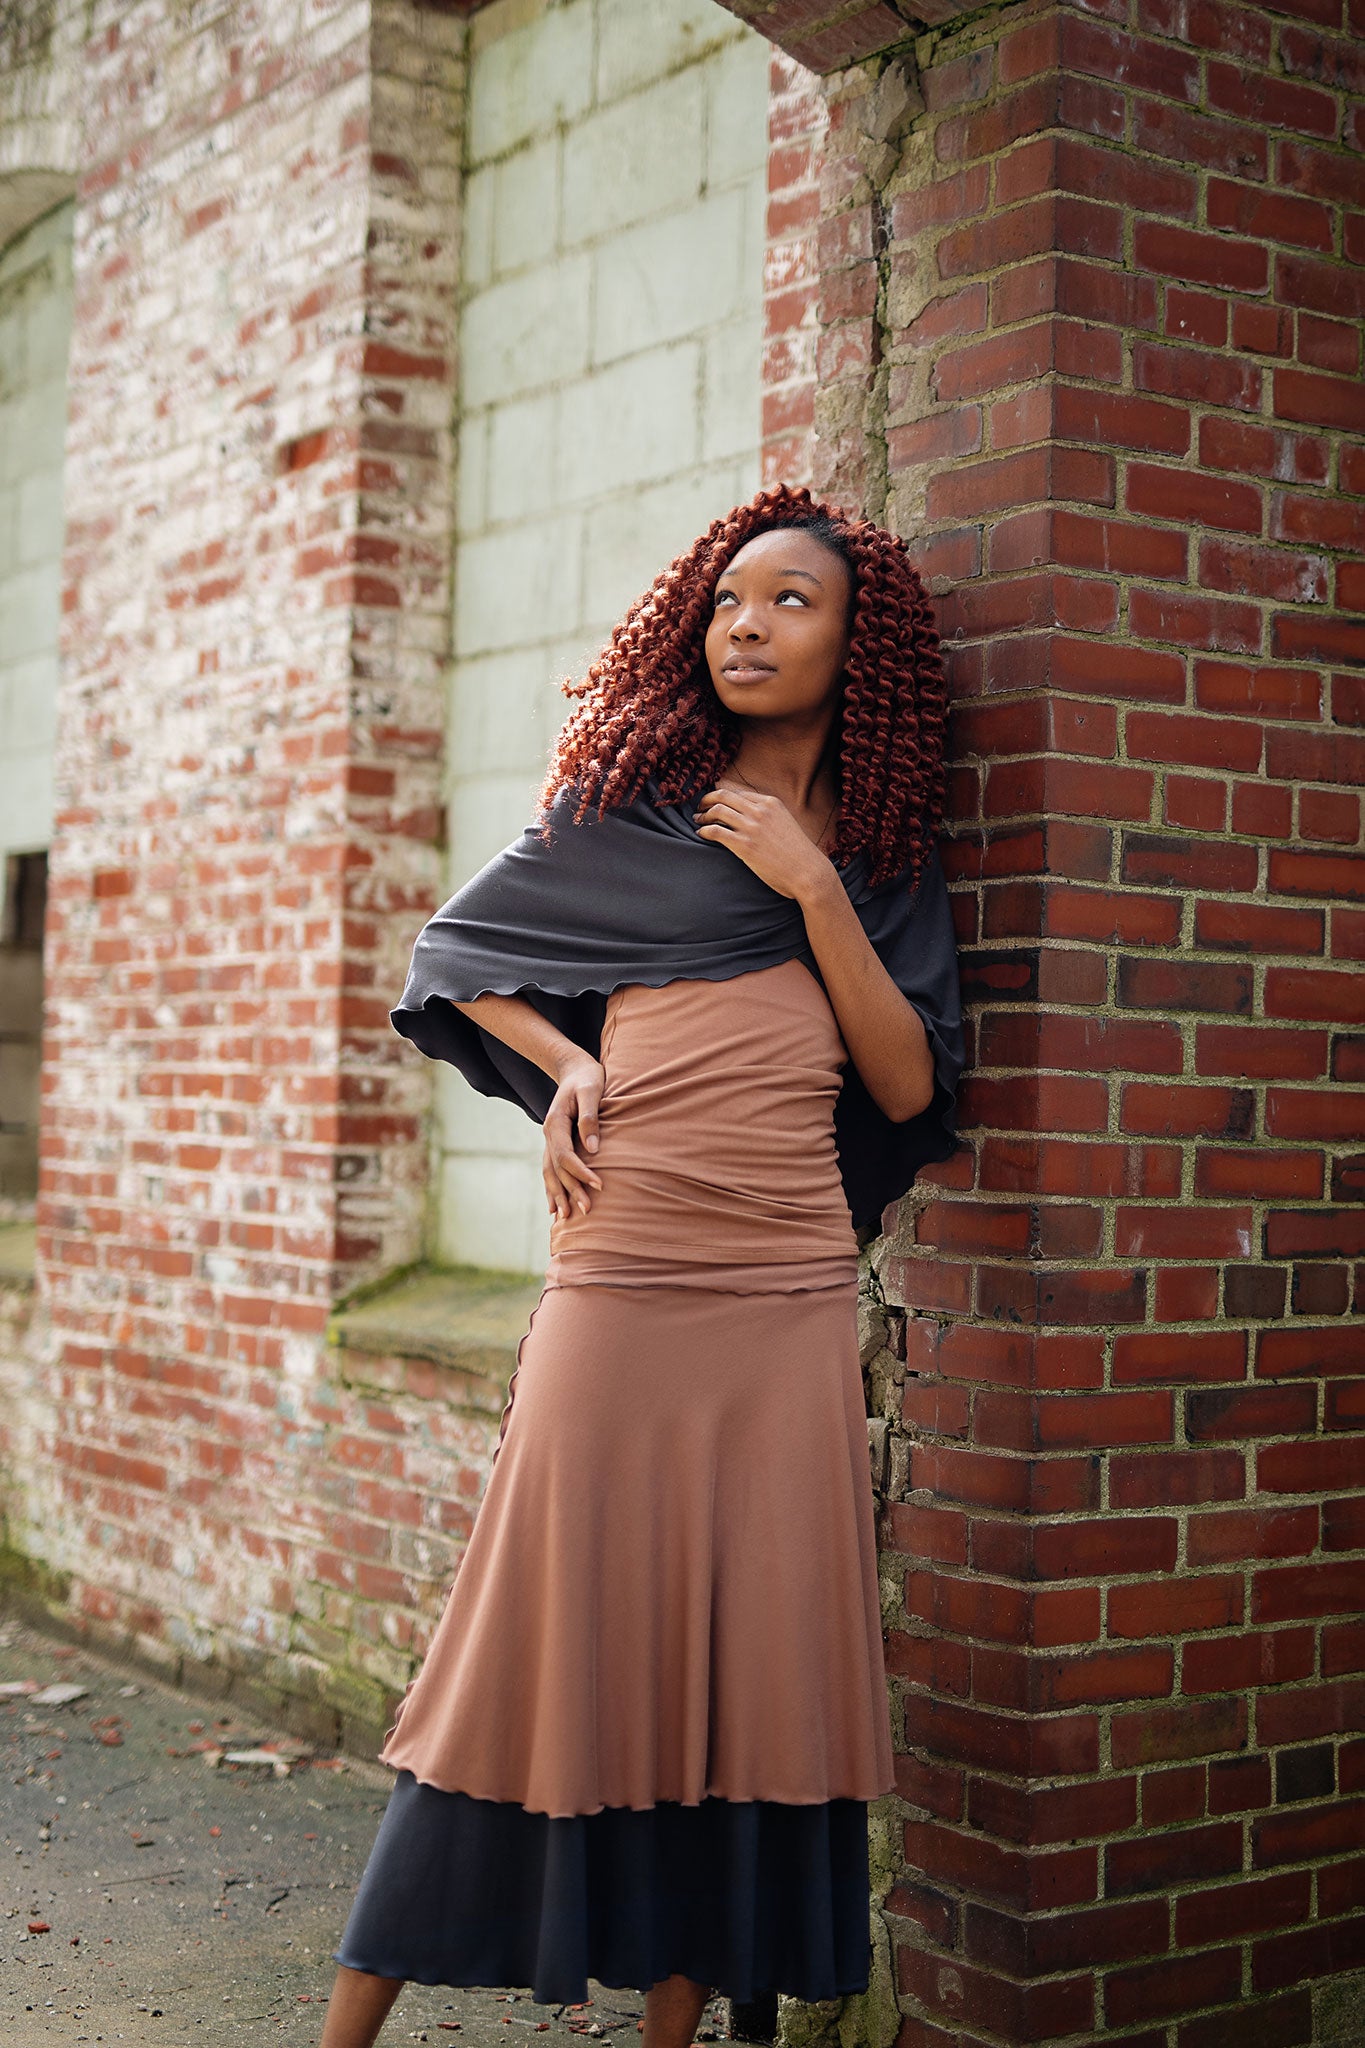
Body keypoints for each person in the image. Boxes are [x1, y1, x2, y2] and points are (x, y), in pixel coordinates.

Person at [317, 483, 963, 2048]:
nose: (744, 622)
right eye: (727, 599)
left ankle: (677, 2024)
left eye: (788, 601)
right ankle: (344, 2026)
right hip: (623, 1275)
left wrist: (810, 887)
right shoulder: (630, 820)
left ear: (855, 646)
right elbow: (456, 965)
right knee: (526, 1642)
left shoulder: (874, 865)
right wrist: (566, 1063)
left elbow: (903, 1089)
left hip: (789, 1291)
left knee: (743, 1667)